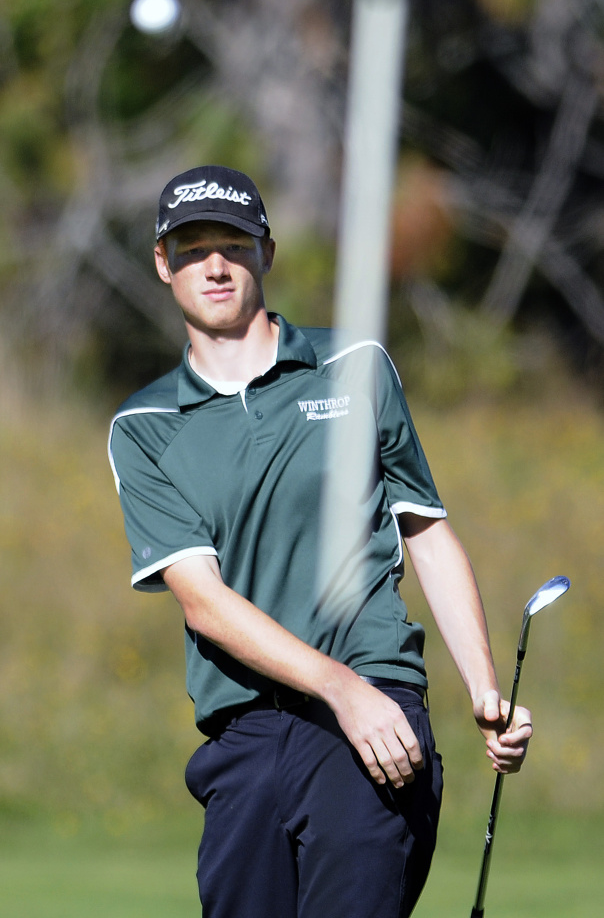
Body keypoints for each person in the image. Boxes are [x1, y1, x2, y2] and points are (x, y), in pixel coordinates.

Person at [109, 164, 532, 918]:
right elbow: (203, 602)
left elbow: (426, 531)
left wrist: (483, 689)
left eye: (233, 243)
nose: (215, 263)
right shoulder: (143, 429)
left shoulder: (354, 365)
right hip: (243, 735)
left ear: (265, 252)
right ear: (162, 262)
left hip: (372, 711)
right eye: (192, 245)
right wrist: (334, 686)